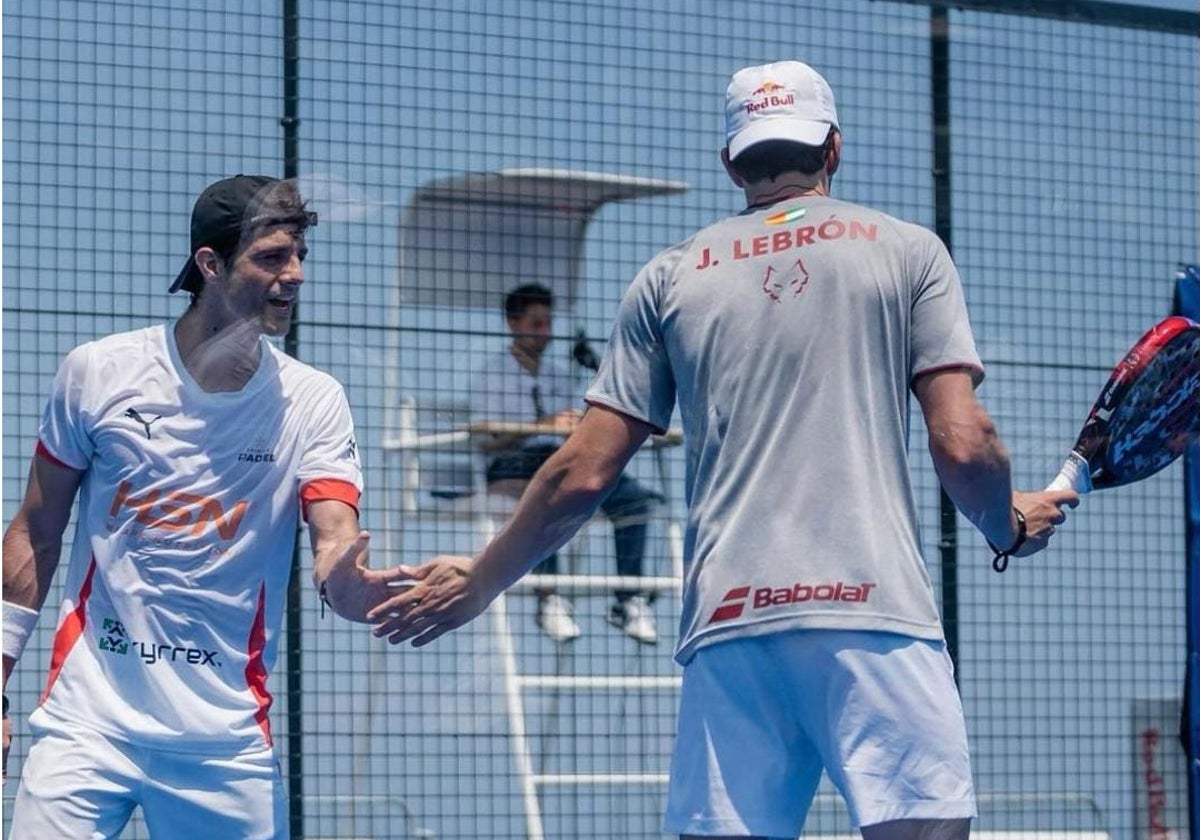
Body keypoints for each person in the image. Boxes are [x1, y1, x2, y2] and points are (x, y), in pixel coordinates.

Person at [370, 60, 1081, 840]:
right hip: (873, 616)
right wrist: (1003, 524)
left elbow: (581, 473)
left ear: (731, 163)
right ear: (833, 149)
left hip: (729, 623)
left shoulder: (668, 276)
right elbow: (964, 440)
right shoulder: (908, 250)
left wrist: (483, 579)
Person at [1, 174, 407, 839]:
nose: (295, 274)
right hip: (85, 727)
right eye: (273, 257)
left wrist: (352, 585)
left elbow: (335, 537)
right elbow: (36, 531)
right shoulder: (97, 372)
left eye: (301, 255)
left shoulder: (315, 400)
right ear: (210, 264)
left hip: (225, 745)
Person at [470, 282, 662, 645]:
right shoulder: (492, 374)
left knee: (636, 499)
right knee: (547, 490)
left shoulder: (558, 374)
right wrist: (543, 426)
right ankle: (549, 597)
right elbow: (486, 437)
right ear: (514, 323)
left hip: (561, 456)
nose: (545, 333)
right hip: (514, 463)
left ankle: (629, 598)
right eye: (536, 323)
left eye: (548, 323)